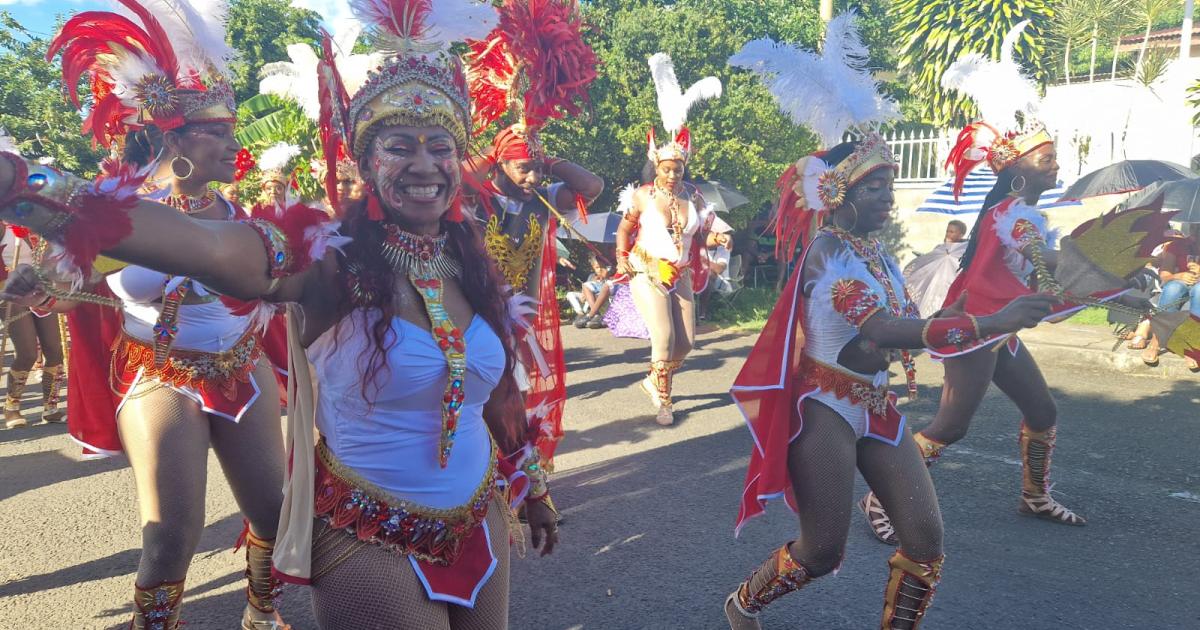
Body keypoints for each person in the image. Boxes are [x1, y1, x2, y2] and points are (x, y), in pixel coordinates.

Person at [0, 2, 561, 627]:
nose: (424, 164)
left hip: (480, 522)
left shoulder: (474, 263)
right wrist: (26, 185)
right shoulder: (323, 264)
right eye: (399, 146)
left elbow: (496, 392)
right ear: (364, 162)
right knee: (170, 534)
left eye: (441, 148)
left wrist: (529, 484)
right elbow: (207, 248)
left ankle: (260, 611)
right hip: (367, 534)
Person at [723, 18, 1059, 628]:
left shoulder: (877, 253)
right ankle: (743, 604)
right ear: (840, 192)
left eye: (890, 185)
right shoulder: (827, 250)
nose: (889, 197)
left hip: (876, 405)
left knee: (927, 542)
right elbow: (880, 331)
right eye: (875, 186)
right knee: (822, 552)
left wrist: (978, 313)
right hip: (823, 407)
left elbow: (914, 322)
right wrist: (993, 323)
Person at [15, 3, 293, 627]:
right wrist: (34, 287)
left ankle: (262, 615)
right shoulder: (117, 215)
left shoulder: (245, 220)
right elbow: (63, 292)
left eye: (233, 131)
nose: (233, 143)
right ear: (175, 137)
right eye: (217, 132)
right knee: (170, 533)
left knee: (274, 514)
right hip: (162, 375)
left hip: (244, 370)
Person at [858, 24, 1151, 543]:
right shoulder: (1015, 216)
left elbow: (1046, 271)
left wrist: (1118, 288)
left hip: (999, 327)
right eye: (1046, 159)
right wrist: (1120, 287)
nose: (1056, 163)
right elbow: (1052, 266)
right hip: (976, 326)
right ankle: (880, 497)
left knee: (1042, 410)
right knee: (950, 426)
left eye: (1053, 155)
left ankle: (1035, 495)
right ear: (1018, 173)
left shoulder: (1015, 211)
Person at [463, 1, 602, 468]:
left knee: (516, 400)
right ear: (500, 164)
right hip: (475, 316)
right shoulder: (477, 200)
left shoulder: (540, 198)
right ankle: (499, 481)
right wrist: (502, 141)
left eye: (536, 171)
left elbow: (593, 187)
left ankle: (518, 482)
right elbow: (458, 178)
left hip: (524, 320)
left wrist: (544, 158)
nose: (532, 178)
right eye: (523, 169)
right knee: (490, 401)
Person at [615, 52, 726, 427]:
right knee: (661, 336)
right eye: (666, 168)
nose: (672, 175)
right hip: (647, 270)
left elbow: (705, 228)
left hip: (680, 274)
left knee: (687, 343)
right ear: (655, 166)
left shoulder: (692, 197)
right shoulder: (643, 195)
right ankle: (665, 400)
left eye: (678, 168)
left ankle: (654, 378)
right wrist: (621, 257)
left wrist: (717, 236)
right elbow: (626, 228)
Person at [0, 225, 66, 428]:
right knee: (27, 353)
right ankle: (12, 407)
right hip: (12, 292)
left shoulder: (39, 222)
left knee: (54, 350)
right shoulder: (3, 226)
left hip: (41, 289)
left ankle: (51, 406)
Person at [1143, 225, 1200, 369]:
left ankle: (1191, 345)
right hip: (1179, 281)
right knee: (1173, 287)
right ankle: (1156, 340)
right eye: (1195, 228)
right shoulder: (1178, 245)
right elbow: (1165, 275)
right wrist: (1178, 275)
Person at [902, 219, 969, 317]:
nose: (948, 235)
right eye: (947, 231)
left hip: (952, 285)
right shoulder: (940, 248)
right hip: (935, 285)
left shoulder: (965, 250)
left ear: (961, 234)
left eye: (952, 232)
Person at [573, 256, 613, 328]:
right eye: (597, 267)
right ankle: (596, 314)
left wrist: (606, 276)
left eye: (602, 267)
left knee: (606, 286)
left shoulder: (610, 272)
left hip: (607, 289)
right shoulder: (592, 276)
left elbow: (611, 282)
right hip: (596, 292)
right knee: (585, 285)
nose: (600, 269)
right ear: (593, 268)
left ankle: (592, 315)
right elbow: (587, 287)